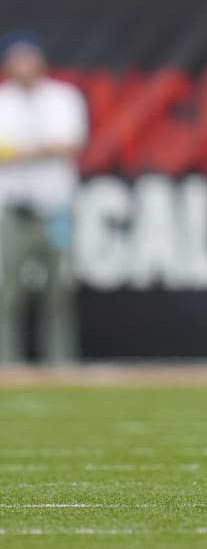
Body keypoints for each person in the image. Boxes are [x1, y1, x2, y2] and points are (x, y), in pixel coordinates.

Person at [0, 31, 88, 366]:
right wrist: (43, 148)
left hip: (56, 210)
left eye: (29, 57)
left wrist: (19, 151)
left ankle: (61, 365)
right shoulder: (3, 101)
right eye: (17, 59)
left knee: (58, 294)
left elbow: (68, 144)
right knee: (9, 294)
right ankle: (7, 366)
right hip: (13, 212)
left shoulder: (62, 97)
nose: (24, 66)